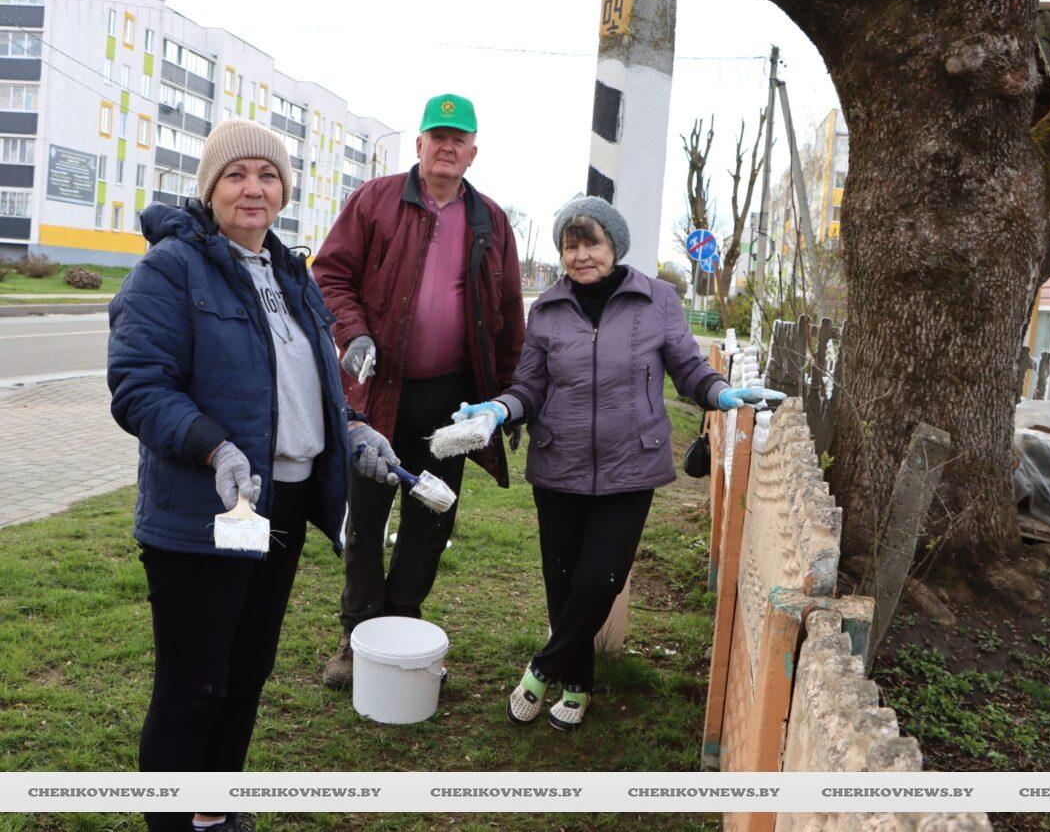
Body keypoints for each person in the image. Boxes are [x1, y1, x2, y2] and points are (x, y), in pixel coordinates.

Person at [107, 119, 402, 832]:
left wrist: (353, 430)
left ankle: (215, 812)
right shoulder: (172, 268)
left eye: (267, 176)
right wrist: (214, 448)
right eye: (236, 174)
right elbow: (138, 384)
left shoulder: (289, 274)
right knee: (193, 682)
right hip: (207, 505)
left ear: (284, 192)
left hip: (278, 507)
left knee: (244, 671)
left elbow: (308, 384)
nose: (253, 188)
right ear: (210, 187)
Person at [454, 196, 781, 729]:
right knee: (562, 583)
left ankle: (541, 668)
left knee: (599, 580)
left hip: (632, 466)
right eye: (571, 245)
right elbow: (529, 387)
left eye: (592, 243)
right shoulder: (548, 310)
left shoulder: (658, 299)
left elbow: (689, 368)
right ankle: (578, 687)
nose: (581, 255)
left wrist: (720, 394)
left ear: (614, 246)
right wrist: (498, 408)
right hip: (558, 464)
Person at [314, 93, 526, 689]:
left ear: (473, 151)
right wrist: (352, 333)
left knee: (432, 514)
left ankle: (401, 624)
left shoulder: (491, 220)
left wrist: (510, 396)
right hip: (378, 393)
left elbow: (508, 311)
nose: (447, 146)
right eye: (438, 135)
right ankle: (356, 640)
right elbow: (330, 274)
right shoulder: (375, 200)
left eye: (458, 139)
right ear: (420, 145)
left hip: (450, 401)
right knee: (366, 516)